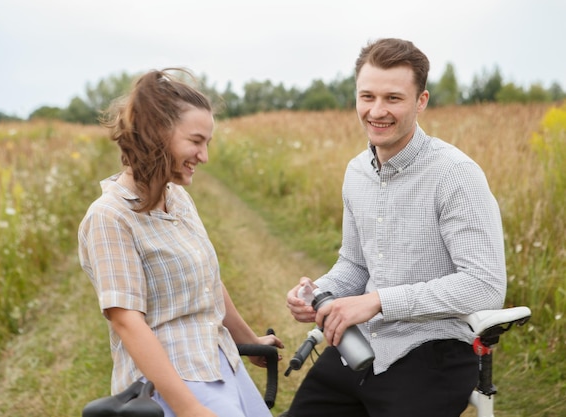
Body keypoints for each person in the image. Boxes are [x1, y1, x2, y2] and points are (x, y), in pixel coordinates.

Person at [284, 38, 507, 417]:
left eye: (393, 98)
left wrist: (379, 302)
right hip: (357, 346)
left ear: (421, 101)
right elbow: (356, 264)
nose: (376, 111)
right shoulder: (356, 172)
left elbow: (485, 287)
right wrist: (322, 290)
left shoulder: (456, 175)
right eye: (367, 96)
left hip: (433, 353)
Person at [78, 68, 283, 417]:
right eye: (196, 141)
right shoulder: (110, 217)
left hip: (218, 364)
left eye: (207, 143)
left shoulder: (178, 199)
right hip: (170, 385)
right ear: (158, 135)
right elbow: (127, 323)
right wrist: (188, 409)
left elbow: (209, 283)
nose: (204, 156)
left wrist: (247, 343)